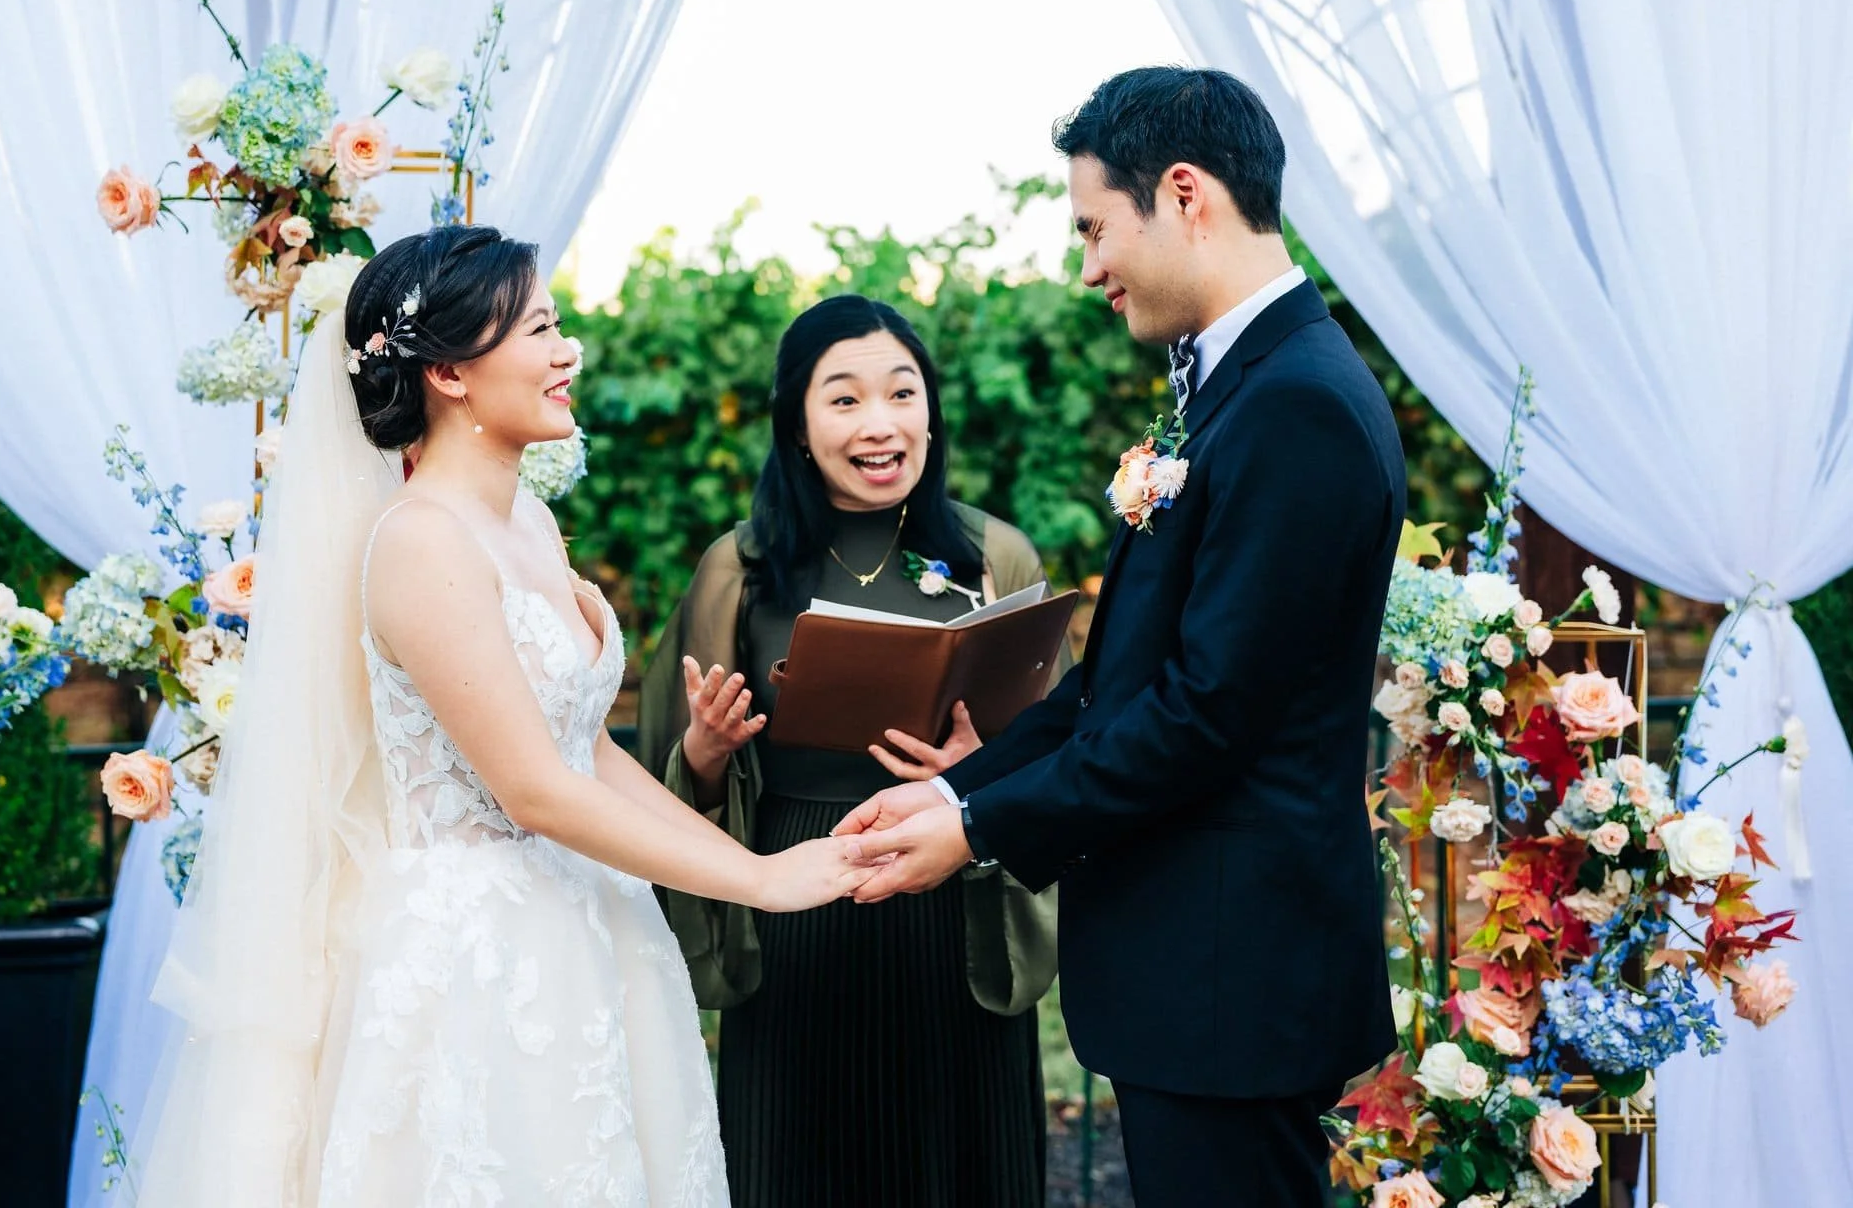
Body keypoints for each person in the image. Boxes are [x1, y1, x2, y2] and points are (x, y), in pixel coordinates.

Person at [137, 226, 871, 1207]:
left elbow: (582, 752)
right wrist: (762, 881)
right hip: (481, 966)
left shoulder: (525, 519)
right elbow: (529, 789)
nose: (566, 352)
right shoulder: (420, 544)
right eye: (538, 328)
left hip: (589, 931)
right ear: (448, 370)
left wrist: (733, 859)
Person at [837, 68, 1404, 1208]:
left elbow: (1204, 716)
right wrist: (959, 793)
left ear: (1183, 194)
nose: (1088, 267)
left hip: (1229, 976)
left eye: (1095, 226)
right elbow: (1122, 680)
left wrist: (979, 827)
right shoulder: (1237, 385)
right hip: (1201, 973)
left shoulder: (1292, 404)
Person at [638, 294, 1061, 1208]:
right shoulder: (738, 568)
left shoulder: (998, 557)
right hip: (796, 901)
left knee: (960, 1168)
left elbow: (1058, 755)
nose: (880, 425)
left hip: (951, 907)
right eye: (844, 399)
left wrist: (975, 776)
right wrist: (708, 754)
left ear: (930, 411)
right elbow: (662, 787)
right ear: (796, 422)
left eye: (902, 394)